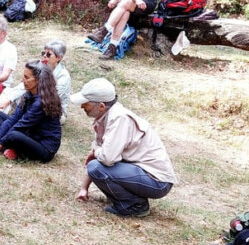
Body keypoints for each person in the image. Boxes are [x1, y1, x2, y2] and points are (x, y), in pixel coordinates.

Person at [72, 78, 177, 218]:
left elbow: (106, 159)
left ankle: (135, 206)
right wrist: (84, 189)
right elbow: (97, 155)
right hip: (141, 173)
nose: (82, 107)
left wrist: (96, 152)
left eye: (86, 104)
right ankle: (128, 200)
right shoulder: (105, 118)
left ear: (101, 106)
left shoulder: (119, 119)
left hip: (157, 181)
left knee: (96, 168)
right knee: (96, 166)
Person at [0, 60, 61, 162]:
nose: (22, 80)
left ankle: (9, 147)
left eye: (27, 78)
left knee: (14, 134)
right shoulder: (29, 93)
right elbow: (13, 119)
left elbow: (20, 126)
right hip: (30, 134)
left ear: (38, 80)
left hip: (44, 148)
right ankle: (9, 147)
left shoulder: (40, 103)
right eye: (24, 76)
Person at [0, 39, 70, 123]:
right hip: (34, 100)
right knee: (8, 92)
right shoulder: (39, 66)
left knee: (27, 100)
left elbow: (51, 99)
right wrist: (9, 99)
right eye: (43, 53)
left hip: (51, 110)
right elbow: (24, 85)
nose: (44, 56)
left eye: (48, 55)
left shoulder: (63, 76)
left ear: (59, 58)